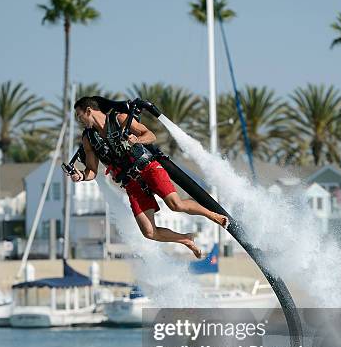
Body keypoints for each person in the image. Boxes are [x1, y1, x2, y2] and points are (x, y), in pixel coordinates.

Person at [69, 96, 228, 258]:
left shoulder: (119, 118)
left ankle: (214, 216)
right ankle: (186, 239)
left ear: (89, 111)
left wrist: (136, 140)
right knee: (149, 232)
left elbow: (151, 135)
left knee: (176, 205)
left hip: (148, 168)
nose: (79, 120)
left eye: (79, 115)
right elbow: (92, 171)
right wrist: (80, 176)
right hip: (131, 183)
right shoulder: (88, 138)